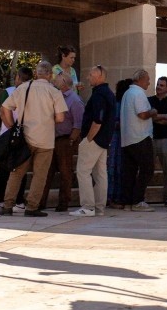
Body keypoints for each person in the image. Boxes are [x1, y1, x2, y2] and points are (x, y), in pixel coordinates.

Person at [0, 61, 67, 218]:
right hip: (45, 139)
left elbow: (5, 108)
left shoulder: (24, 87)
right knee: (40, 175)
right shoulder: (54, 91)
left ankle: (8, 205)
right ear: (50, 75)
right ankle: (32, 207)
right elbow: (61, 117)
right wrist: (48, 121)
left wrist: (11, 126)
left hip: (24, 138)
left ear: (36, 73)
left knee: (16, 173)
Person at [36, 72, 83, 212]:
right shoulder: (55, 96)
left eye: (57, 78)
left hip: (65, 139)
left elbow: (78, 123)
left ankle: (63, 203)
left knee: (65, 173)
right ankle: (40, 202)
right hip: (51, 139)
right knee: (46, 171)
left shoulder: (75, 100)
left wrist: (71, 140)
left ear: (63, 82)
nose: (53, 80)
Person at [73, 65, 114, 217]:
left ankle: (88, 207)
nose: (88, 77)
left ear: (98, 76)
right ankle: (99, 207)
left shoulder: (99, 94)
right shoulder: (108, 93)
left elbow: (98, 119)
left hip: (95, 140)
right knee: (100, 174)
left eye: (90, 75)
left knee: (83, 171)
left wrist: (88, 138)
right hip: (103, 141)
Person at [0, 67, 33, 214]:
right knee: (13, 168)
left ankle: (6, 200)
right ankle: (10, 200)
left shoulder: (9, 91)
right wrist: (15, 127)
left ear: (18, 78)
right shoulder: (17, 92)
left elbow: (3, 112)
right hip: (20, 134)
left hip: (10, 134)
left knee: (13, 168)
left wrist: (11, 126)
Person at [121, 69, 158, 211]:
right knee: (147, 169)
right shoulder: (138, 93)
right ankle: (138, 201)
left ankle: (128, 201)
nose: (149, 83)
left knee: (130, 171)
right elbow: (142, 114)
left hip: (128, 139)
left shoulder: (127, 93)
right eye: (148, 79)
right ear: (141, 79)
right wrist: (153, 112)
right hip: (140, 137)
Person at [150, 76, 167, 206]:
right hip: (151, 138)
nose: (158, 87)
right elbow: (147, 118)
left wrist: (156, 116)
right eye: (158, 84)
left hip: (166, 139)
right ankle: (140, 197)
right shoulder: (148, 100)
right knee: (147, 169)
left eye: (162, 85)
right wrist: (163, 117)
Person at [107, 77, 131, 209]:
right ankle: (113, 197)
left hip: (122, 139)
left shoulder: (120, 103)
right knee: (115, 168)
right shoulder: (118, 104)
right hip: (118, 139)